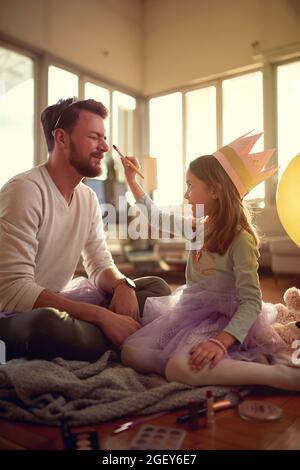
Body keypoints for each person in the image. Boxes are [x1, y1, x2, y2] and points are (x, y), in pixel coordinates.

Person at [121, 132, 300, 391]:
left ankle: (284, 376)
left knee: (178, 368)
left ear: (215, 191)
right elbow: (155, 216)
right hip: (192, 314)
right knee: (131, 351)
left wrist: (220, 341)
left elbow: (250, 302)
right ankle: (237, 363)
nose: (185, 194)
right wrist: (131, 179)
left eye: (191, 185)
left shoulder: (240, 239)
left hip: (225, 321)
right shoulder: (196, 228)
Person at [0, 97, 171, 362]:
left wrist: (122, 285)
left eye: (104, 138)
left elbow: (99, 262)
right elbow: (13, 290)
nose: (104, 147)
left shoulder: (87, 197)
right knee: (48, 325)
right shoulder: (25, 190)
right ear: (61, 138)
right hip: (16, 313)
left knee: (155, 289)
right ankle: (117, 336)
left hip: (55, 301)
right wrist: (102, 316)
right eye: (94, 137)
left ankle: (98, 339)